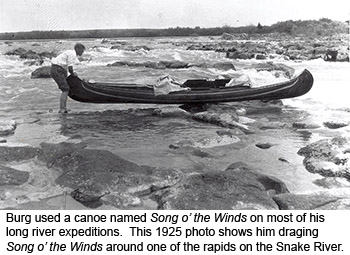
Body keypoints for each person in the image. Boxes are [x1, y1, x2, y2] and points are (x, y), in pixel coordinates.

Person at [51, 43, 85, 113]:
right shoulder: (72, 54)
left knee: (66, 87)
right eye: (82, 50)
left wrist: (72, 74)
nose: (82, 52)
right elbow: (70, 68)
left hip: (59, 69)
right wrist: (72, 74)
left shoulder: (71, 53)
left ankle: (64, 107)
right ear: (78, 49)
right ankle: (62, 108)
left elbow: (66, 67)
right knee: (65, 89)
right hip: (57, 69)